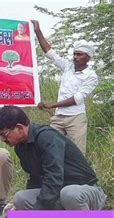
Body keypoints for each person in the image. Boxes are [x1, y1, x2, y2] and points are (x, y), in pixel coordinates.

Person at [0, 105, 106, 210]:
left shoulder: (47, 137)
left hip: (85, 191)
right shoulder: (20, 147)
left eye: (4, 135)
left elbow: (54, 176)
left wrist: (37, 210)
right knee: (21, 198)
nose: (3, 140)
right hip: (59, 193)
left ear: (20, 128)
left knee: (69, 194)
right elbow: (35, 179)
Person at [32, 20, 98, 155]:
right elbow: (49, 51)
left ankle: (80, 177)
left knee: (77, 155)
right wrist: (37, 31)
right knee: (50, 149)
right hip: (59, 118)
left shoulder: (91, 76)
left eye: (80, 54)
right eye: (75, 54)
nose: (75, 57)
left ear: (88, 58)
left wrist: (52, 105)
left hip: (76, 118)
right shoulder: (67, 66)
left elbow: (77, 98)